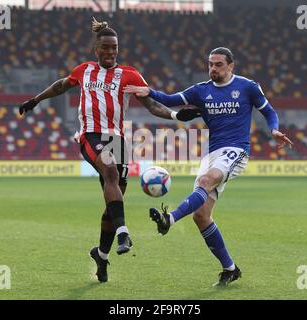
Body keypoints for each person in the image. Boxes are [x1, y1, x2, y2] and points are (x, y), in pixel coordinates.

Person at [18, 18, 199, 283]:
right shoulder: (84, 71)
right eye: (105, 47)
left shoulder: (129, 74)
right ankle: (124, 233)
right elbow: (61, 85)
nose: (110, 52)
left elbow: (151, 105)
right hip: (91, 135)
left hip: (118, 140)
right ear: (96, 48)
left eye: (114, 48)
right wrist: (35, 100)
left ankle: (101, 256)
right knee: (110, 172)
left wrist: (175, 115)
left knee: (113, 203)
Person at [124, 47, 294, 287]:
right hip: (212, 154)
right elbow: (172, 100)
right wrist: (148, 92)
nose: (213, 68)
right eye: (210, 64)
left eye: (218, 64)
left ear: (230, 66)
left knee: (205, 182)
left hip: (236, 150)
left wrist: (274, 129)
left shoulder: (248, 87)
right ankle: (230, 269)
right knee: (201, 216)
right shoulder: (201, 91)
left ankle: (169, 219)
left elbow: (268, 111)